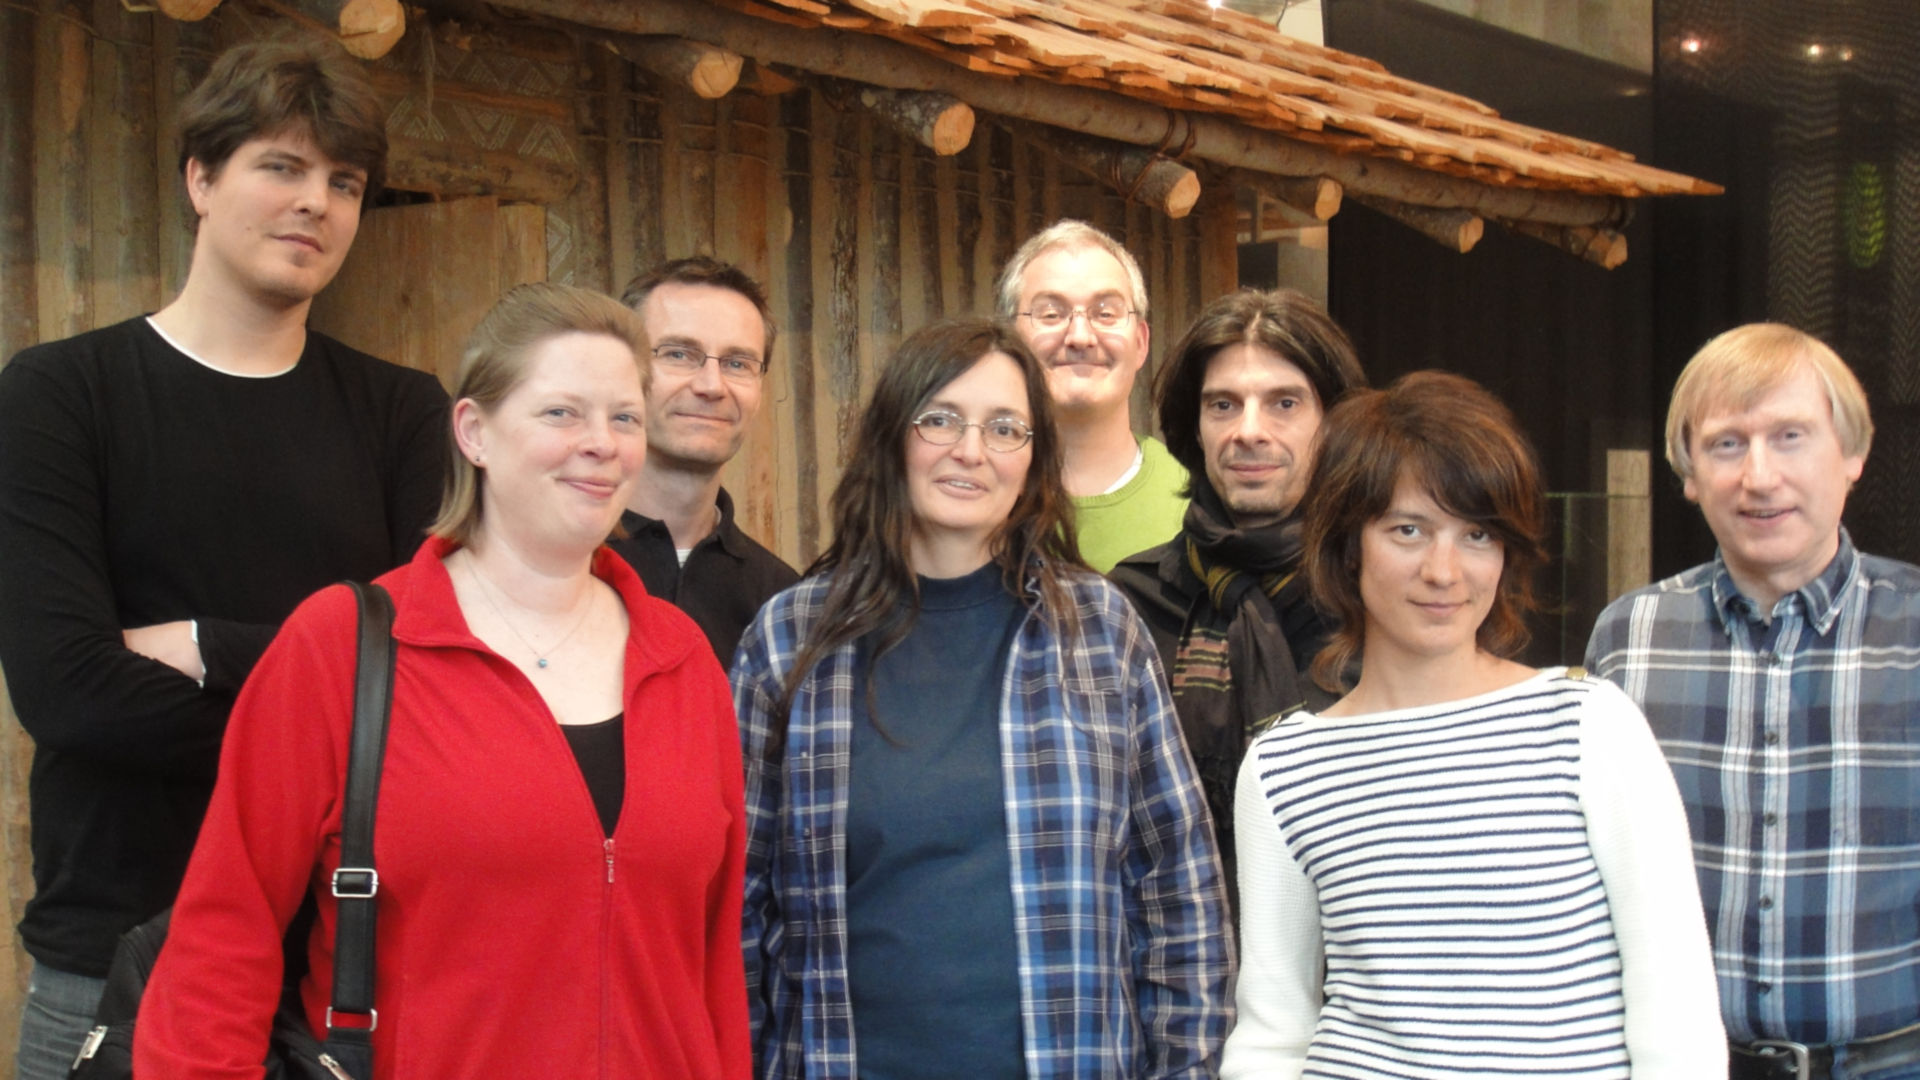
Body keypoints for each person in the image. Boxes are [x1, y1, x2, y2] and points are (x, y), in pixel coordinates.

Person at [134, 283, 750, 1078]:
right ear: (474, 432)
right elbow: (222, 941)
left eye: (624, 417)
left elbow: (712, 970)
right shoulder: (346, 647)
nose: (602, 443)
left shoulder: (682, 660)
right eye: (562, 413)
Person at [0, 36, 449, 1080]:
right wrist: (336, 721)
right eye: (281, 166)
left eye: (344, 181)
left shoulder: (399, 413)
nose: (318, 204)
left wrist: (206, 643)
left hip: (343, 970)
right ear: (199, 178)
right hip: (119, 954)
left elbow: (425, 673)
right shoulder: (61, 395)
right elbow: (69, 693)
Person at [733, 319, 1231, 1079]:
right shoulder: (790, 638)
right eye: (940, 419)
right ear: (891, 435)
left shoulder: (1100, 630)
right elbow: (737, 901)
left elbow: (1177, 890)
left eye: (1006, 429)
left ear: (1033, 461)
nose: (972, 450)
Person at [1224, 371, 1725, 1079]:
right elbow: (1272, 1035)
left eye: (1478, 535)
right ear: (1346, 545)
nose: (1444, 570)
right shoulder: (1283, 767)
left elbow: (1675, 1013)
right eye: (1408, 530)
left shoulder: (1587, 725)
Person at [1585, 323, 1920, 1080]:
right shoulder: (1628, 639)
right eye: (1727, 444)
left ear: (1854, 454)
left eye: (1791, 436)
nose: (1759, 477)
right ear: (1690, 473)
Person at [1110, 288, 1367, 873]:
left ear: (1334, 424)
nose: (1249, 431)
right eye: (1223, 405)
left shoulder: (1380, 602)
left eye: (1284, 404)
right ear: (1193, 429)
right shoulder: (1132, 606)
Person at [608, 257, 799, 669]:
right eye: (679, 354)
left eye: (737, 363)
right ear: (623, 370)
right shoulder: (560, 569)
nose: (711, 385)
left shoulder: (782, 605)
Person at [994, 219, 1186, 572]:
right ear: (1010, 341)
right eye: (1051, 314)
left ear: (1141, 343)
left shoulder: (1194, 502)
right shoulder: (974, 491)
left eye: (1105, 314)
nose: (1080, 336)